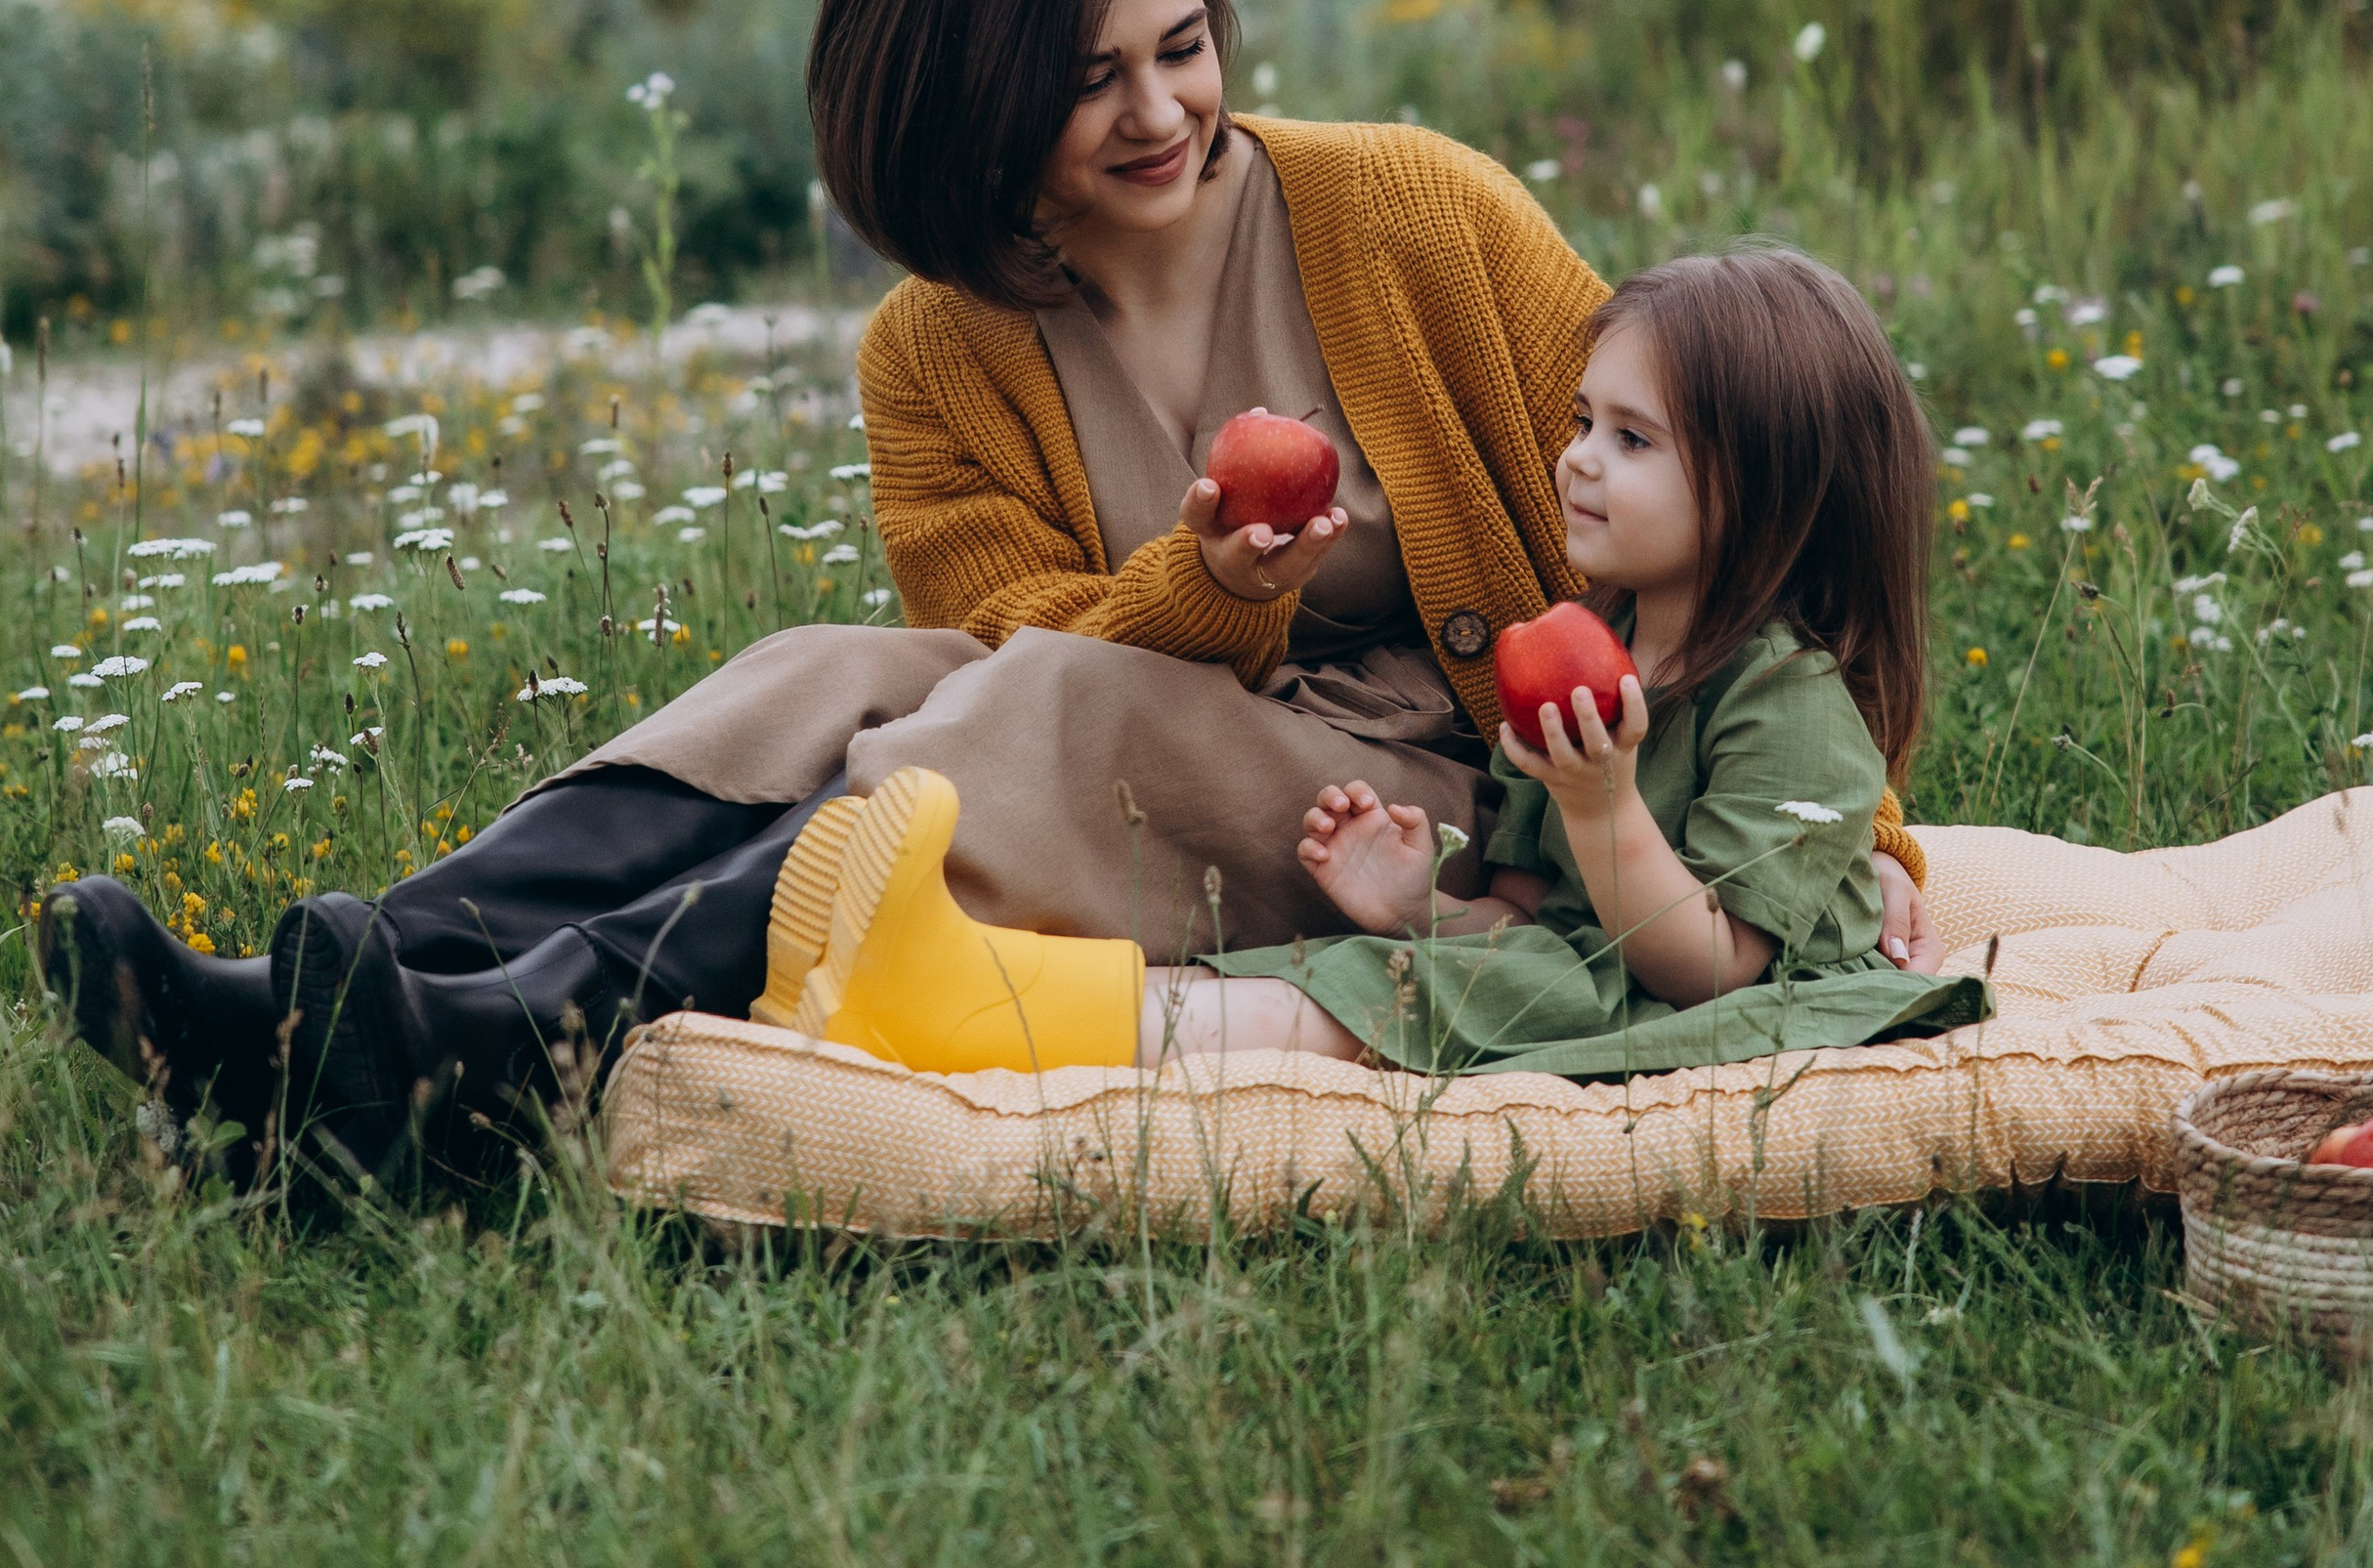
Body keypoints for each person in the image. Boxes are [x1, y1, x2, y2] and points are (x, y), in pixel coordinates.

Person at [38, 0, 1933, 1179]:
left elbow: (1717, 503)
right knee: (817, 673)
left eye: (1180, 48)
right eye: (1086, 77)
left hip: (1421, 794)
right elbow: (1014, 629)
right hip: (1140, 726)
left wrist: (1839, 846)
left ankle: (488, 1048)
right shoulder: (931, 354)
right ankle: (346, 985)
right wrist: (1210, 581)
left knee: (1039, 703)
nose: (1161, 113)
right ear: (960, 99)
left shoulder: (1412, 216)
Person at [756, 244, 1991, 1081]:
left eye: (1631, 439)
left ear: (1773, 491)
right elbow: (1531, 909)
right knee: (1342, 962)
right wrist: (1419, 902)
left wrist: (1603, 803)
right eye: (1579, 423)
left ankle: (974, 1017)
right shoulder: (1592, 651)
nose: (1574, 460)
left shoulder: (1788, 700)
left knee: (1386, 1000)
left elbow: (1710, 966)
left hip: (1720, 1007)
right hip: (1576, 967)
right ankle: (956, 991)